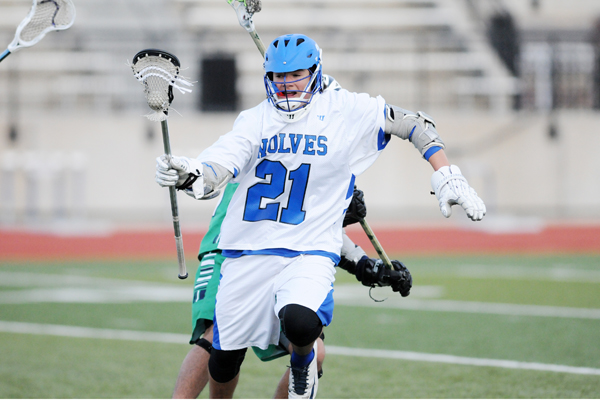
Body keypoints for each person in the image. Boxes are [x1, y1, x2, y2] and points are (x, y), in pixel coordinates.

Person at [155, 33, 485, 399]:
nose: (286, 85)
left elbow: (413, 123)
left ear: (316, 72)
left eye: (295, 75)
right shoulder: (255, 120)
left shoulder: (344, 110)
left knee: (304, 326)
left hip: (306, 252)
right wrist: (191, 173)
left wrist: (446, 172)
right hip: (245, 246)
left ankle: (301, 366)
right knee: (221, 354)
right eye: (278, 77)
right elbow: (217, 166)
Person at [171, 183, 411, 399]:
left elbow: (309, 227)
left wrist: (366, 264)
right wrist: (192, 176)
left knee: (314, 352)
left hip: (286, 251)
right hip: (231, 245)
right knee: (219, 337)